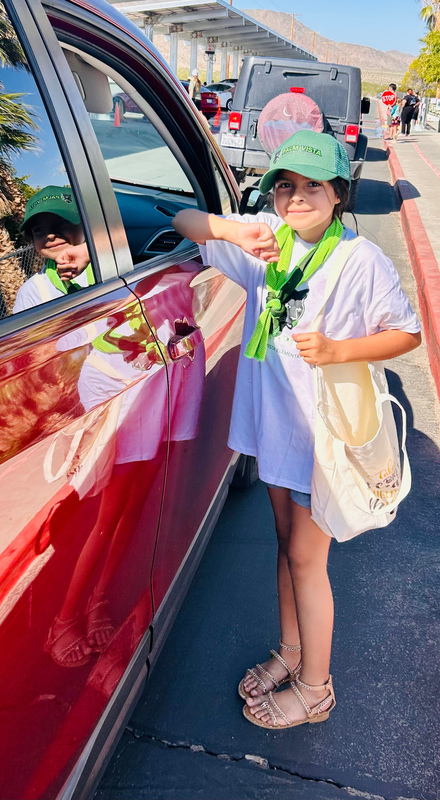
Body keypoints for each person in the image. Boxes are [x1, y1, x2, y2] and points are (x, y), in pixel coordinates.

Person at [172, 129, 421, 729]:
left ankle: (316, 687)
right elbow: (184, 220)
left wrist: (339, 351)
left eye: (314, 185)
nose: (297, 196)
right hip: (276, 433)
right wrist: (232, 229)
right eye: (285, 185)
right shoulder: (268, 242)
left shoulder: (358, 259)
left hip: (321, 442)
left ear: (339, 193)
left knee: (308, 561)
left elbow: (407, 332)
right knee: (286, 548)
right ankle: (290, 651)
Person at [12, 185, 94, 314]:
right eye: (38, 230)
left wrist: (90, 250)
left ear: (85, 222)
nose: (50, 235)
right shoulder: (32, 291)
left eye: (62, 223)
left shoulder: (111, 254)